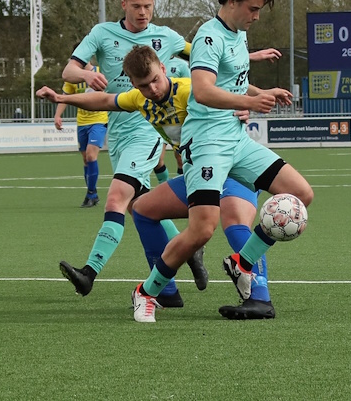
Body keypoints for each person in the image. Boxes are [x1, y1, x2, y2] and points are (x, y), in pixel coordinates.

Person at [37, 45, 277, 319]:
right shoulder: (140, 100)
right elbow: (104, 101)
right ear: (134, 85)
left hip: (230, 167)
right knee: (143, 209)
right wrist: (62, 98)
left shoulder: (188, 91)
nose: (152, 89)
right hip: (197, 174)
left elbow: (225, 92)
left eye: (154, 80)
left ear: (163, 69)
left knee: (234, 221)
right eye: (143, 85)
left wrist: (245, 108)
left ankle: (259, 297)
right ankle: (165, 290)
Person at [131, 0, 313, 323]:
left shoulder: (237, 34)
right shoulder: (209, 37)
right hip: (207, 142)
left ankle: (242, 262)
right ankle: (145, 292)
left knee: (300, 194)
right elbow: (203, 90)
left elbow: (234, 82)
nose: (257, 16)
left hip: (235, 138)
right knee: (201, 230)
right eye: (253, 8)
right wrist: (250, 104)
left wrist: (261, 93)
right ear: (232, 2)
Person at [56, 0, 199, 307]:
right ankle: (183, 259)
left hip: (148, 128)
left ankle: (89, 273)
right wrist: (87, 75)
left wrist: (250, 58)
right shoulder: (102, 34)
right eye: (136, 6)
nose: (143, 12)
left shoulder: (166, 37)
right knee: (142, 208)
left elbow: (205, 55)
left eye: (148, 6)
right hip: (118, 132)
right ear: (124, 4)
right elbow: (68, 71)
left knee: (117, 198)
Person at [55, 46, 109, 208]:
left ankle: (91, 194)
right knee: (86, 159)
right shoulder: (73, 77)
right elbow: (66, 97)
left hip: (99, 119)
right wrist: (58, 115)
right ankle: (92, 193)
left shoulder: (101, 71)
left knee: (92, 156)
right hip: (82, 122)